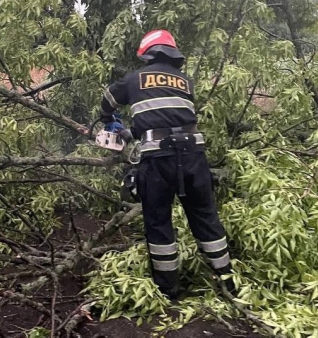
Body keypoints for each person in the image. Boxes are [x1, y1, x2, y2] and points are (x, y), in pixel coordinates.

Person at [97, 29, 236, 299]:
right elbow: (167, 117)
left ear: (147, 53)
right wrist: (134, 132)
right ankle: (226, 283)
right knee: (206, 218)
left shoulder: (134, 79)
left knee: (159, 221)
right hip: (194, 156)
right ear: (172, 54)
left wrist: (107, 119)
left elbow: (108, 100)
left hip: (158, 161)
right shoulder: (185, 82)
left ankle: (168, 290)